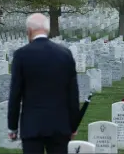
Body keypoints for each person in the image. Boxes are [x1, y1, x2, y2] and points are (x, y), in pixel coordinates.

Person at [7, 13, 80, 154]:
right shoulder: (65, 53)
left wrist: (12, 126)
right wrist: (73, 125)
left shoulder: (21, 55)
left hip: (32, 125)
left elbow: (15, 94)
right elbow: (72, 93)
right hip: (60, 125)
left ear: (29, 31)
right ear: (47, 30)